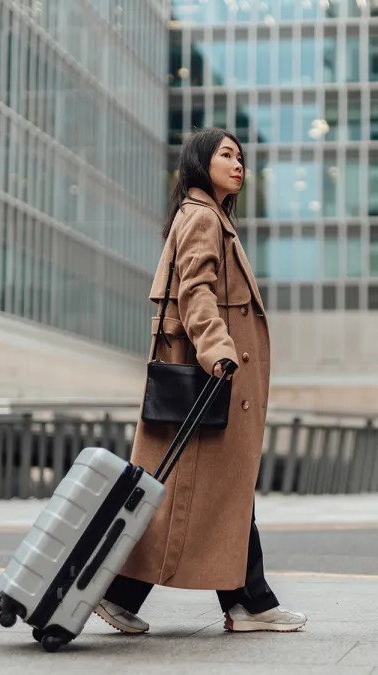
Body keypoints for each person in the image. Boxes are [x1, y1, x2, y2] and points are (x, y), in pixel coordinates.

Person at [95, 128, 305, 635]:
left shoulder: (208, 216)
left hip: (203, 387)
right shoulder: (203, 218)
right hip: (209, 383)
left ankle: (133, 593)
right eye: (226, 155)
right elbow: (195, 291)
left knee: (202, 496)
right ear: (199, 163)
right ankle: (247, 603)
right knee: (204, 495)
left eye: (241, 157)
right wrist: (219, 351)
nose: (239, 164)